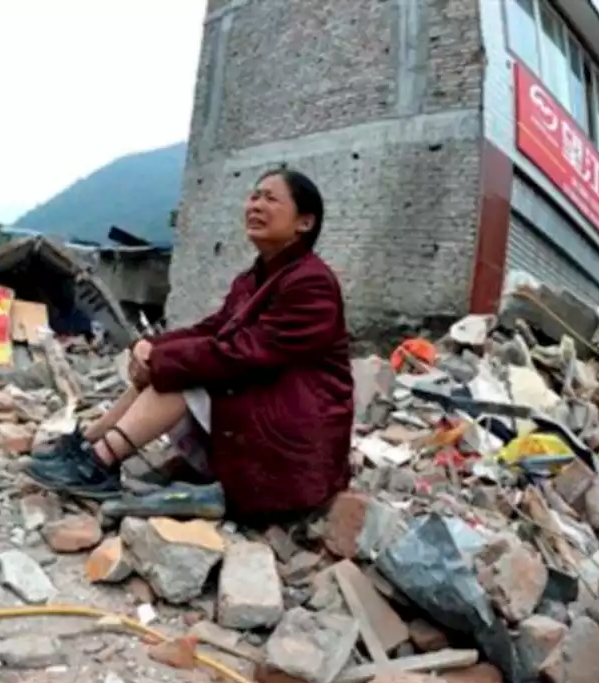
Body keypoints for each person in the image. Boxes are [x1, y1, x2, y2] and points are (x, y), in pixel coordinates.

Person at [25, 168, 354, 525]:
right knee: (172, 362)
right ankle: (91, 443)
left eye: (270, 199)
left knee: (184, 372)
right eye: (254, 196)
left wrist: (163, 359)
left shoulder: (311, 284)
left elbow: (245, 351)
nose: (255, 205)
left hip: (298, 434)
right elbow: (213, 329)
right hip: (268, 404)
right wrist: (152, 346)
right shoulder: (256, 277)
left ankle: (99, 464)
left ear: (304, 222)